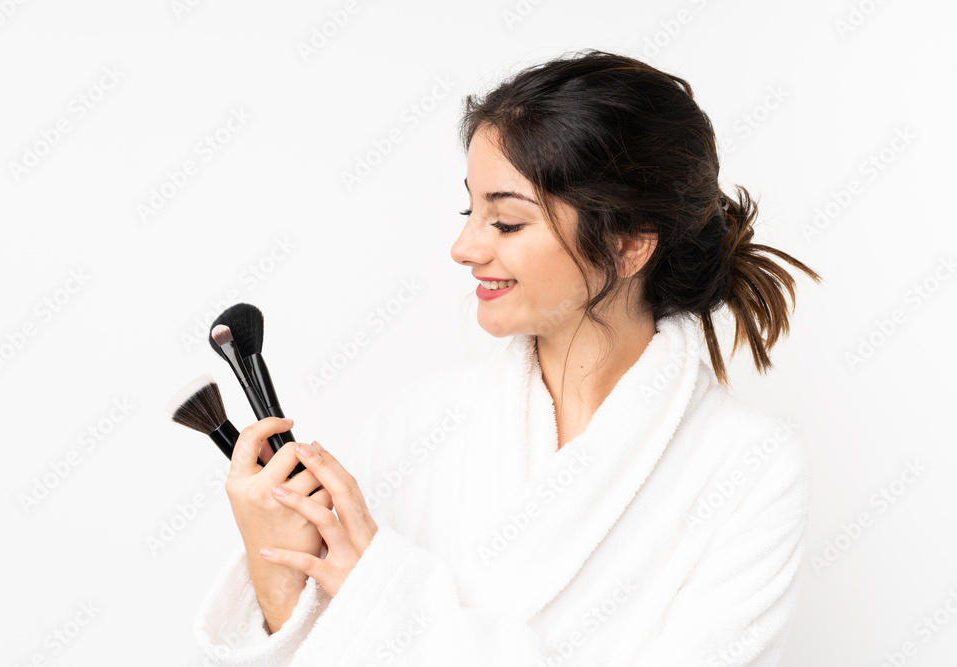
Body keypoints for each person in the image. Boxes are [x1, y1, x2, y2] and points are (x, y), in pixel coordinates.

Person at [193, 49, 822, 666]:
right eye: (472, 210)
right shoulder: (413, 427)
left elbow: (370, 622)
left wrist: (384, 597)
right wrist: (275, 569)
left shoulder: (748, 469)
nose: (463, 247)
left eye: (508, 223)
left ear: (629, 246)